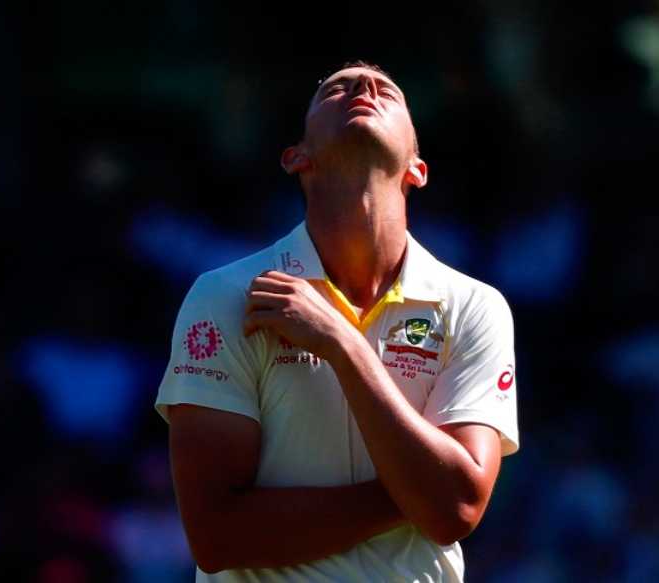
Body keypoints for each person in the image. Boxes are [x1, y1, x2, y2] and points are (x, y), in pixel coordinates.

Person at [155, 60, 520, 582]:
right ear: (296, 158)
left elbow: (456, 510)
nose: (366, 88)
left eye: (387, 92)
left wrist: (342, 344)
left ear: (417, 168)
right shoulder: (226, 296)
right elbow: (217, 537)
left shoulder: (475, 306)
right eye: (336, 90)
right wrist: (416, 494)